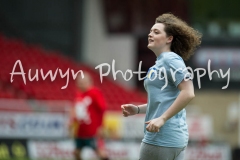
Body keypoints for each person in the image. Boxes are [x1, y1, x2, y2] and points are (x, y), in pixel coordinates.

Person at [121, 13, 202, 160]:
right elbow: (165, 100)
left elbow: (188, 92)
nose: (150, 34)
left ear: (169, 39)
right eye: (150, 31)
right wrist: (138, 109)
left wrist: (162, 119)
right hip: (172, 138)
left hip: (161, 138)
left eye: (156, 32)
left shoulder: (170, 59)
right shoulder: (161, 62)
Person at [69, 72, 109, 160]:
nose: (79, 85)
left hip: (92, 130)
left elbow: (102, 109)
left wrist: (100, 126)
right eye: (78, 83)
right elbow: (77, 110)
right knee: (77, 152)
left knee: (100, 152)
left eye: (81, 83)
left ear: (89, 82)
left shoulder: (95, 93)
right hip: (80, 130)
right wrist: (72, 121)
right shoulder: (78, 94)